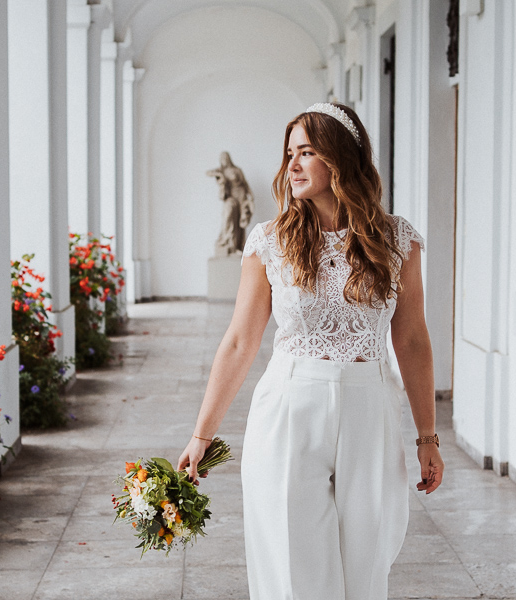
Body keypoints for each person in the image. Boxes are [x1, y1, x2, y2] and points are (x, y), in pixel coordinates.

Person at [177, 102, 444, 599]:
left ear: (340, 160)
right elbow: (240, 340)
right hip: (289, 408)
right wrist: (201, 434)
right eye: (289, 154)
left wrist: (427, 436)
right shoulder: (270, 242)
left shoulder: (396, 240)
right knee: (292, 568)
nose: (291, 166)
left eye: (306, 152)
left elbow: (411, 339)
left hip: (370, 408)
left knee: (366, 564)